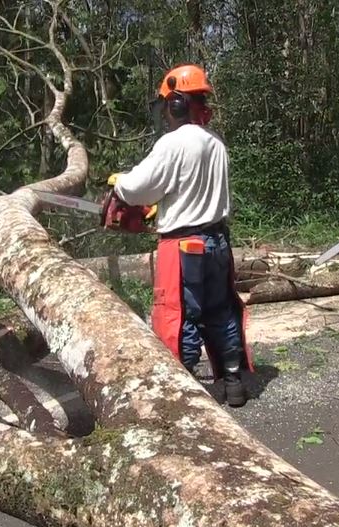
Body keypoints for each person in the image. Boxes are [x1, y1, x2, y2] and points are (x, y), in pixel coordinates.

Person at [108, 64, 252, 407]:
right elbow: (188, 187)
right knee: (220, 312)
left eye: (167, 106)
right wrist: (165, 205)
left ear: (176, 103)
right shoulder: (215, 143)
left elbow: (139, 187)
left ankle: (183, 393)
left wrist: (120, 185)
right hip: (217, 241)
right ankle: (233, 383)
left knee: (181, 316)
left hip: (184, 245)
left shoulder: (172, 143)